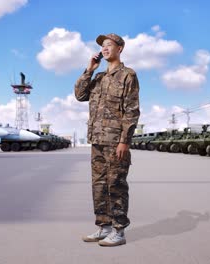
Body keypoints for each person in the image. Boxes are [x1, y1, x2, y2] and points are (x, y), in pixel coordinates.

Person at [74, 33, 140, 247]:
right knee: (99, 185)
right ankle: (104, 227)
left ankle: (119, 230)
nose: (104, 49)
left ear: (120, 48)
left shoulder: (128, 75)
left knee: (116, 185)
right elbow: (80, 95)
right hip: (97, 140)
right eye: (102, 46)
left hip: (115, 142)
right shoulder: (99, 78)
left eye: (109, 45)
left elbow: (131, 111)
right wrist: (89, 70)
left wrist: (125, 141)